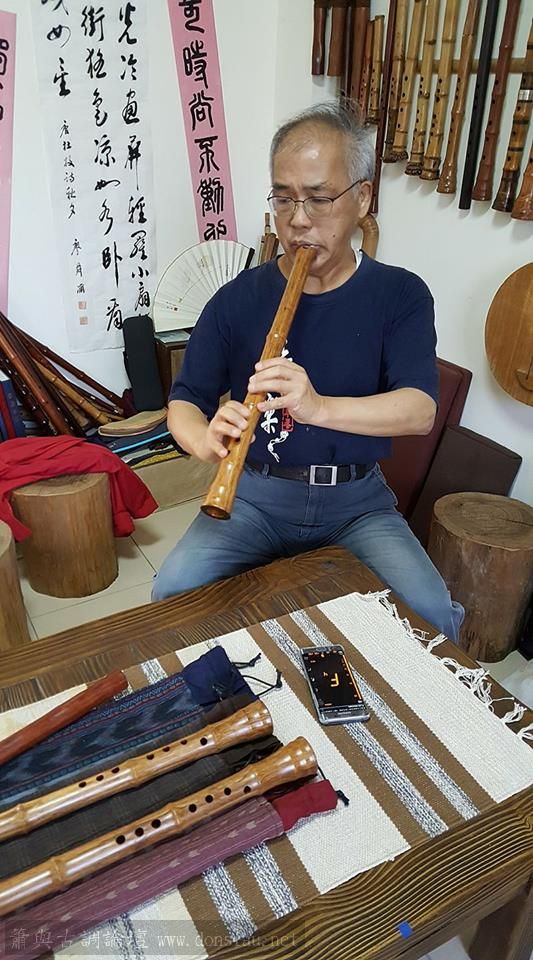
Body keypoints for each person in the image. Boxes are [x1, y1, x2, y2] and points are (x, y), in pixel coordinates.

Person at [152, 101, 464, 642]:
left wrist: (317, 407)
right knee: (172, 592)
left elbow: (419, 411)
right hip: (255, 496)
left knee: (431, 612)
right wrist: (204, 440)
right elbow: (184, 400)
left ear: (362, 197)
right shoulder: (238, 299)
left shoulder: (400, 294)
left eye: (319, 199)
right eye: (283, 198)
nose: (298, 219)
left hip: (357, 503)